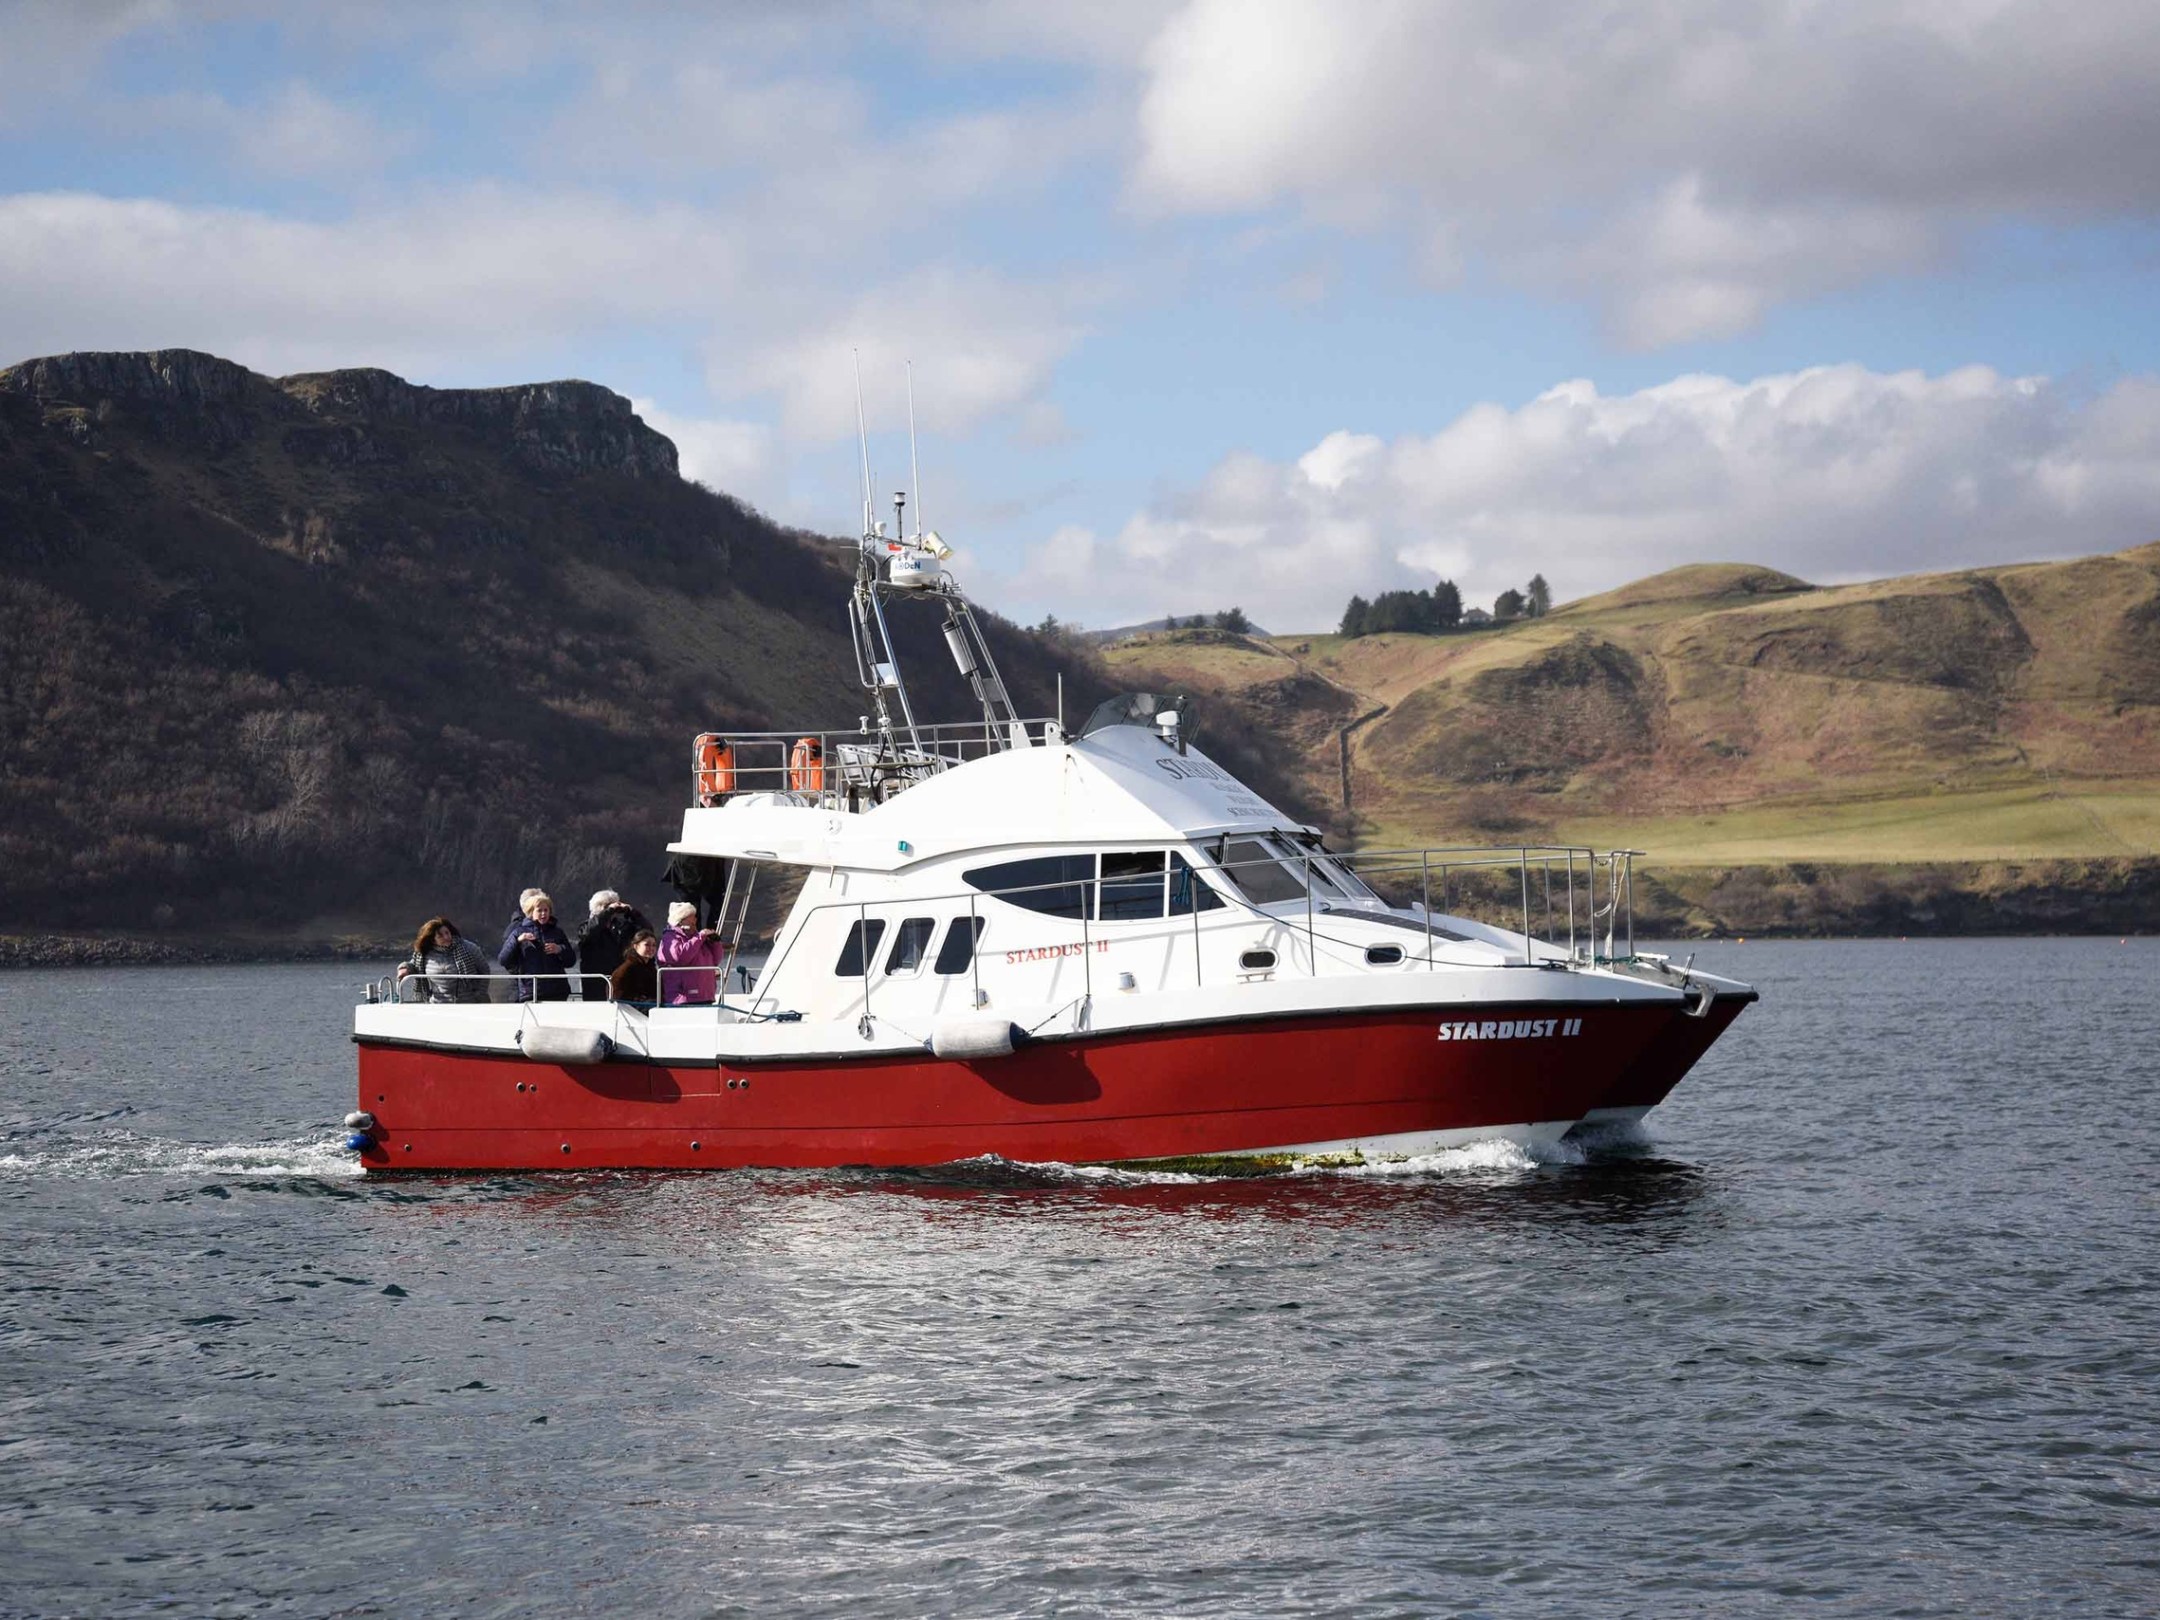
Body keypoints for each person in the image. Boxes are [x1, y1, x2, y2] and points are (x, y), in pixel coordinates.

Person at [498, 888, 577, 1002]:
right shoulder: (518, 932)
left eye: (546, 910)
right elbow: (503, 960)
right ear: (531, 912)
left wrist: (560, 949)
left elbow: (571, 961)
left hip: (557, 991)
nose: (543, 914)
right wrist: (517, 941)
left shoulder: (557, 932)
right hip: (530, 991)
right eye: (539, 910)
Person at [396, 916, 493, 1004]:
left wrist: (479, 994)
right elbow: (413, 965)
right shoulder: (424, 954)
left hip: (469, 1003)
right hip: (438, 1004)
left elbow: (484, 970)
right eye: (440, 936)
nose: (446, 937)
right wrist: (404, 969)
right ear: (432, 940)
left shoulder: (469, 948)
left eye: (447, 933)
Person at [576, 889, 652, 997]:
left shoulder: (621, 927)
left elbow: (646, 931)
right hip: (597, 984)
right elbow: (590, 932)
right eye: (608, 906)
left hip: (621, 980)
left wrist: (631, 912)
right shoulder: (586, 927)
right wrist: (608, 911)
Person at [656, 901, 729, 1006]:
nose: (695, 919)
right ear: (681, 920)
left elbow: (715, 960)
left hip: (705, 995)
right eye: (691, 917)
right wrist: (700, 937)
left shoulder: (697, 938)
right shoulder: (671, 937)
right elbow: (679, 957)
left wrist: (715, 942)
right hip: (683, 997)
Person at [609, 928, 661, 1005]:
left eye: (654, 945)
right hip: (631, 1009)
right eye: (647, 945)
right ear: (636, 946)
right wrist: (637, 1001)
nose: (651, 948)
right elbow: (614, 990)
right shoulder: (628, 967)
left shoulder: (652, 968)